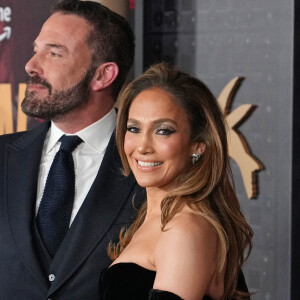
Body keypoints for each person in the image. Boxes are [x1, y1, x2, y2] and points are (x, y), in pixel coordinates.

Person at [0, 0, 144, 299]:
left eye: (54, 53)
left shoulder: (154, 165)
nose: (30, 65)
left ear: (102, 75)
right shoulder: (3, 155)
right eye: (35, 49)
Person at [100, 62, 253, 300]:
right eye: (133, 128)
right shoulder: (154, 217)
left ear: (198, 144)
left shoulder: (185, 228)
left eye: (163, 130)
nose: (142, 146)